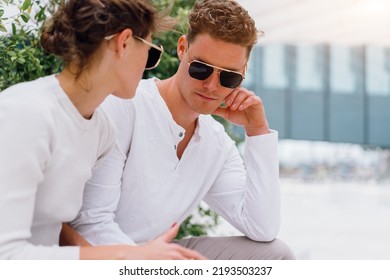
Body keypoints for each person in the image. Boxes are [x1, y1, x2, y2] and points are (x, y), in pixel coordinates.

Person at [69, 0, 295, 259]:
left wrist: (258, 131)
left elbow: (262, 228)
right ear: (182, 48)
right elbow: (91, 224)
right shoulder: (125, 107)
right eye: (201, 68)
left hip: (159, 257)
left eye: (228, 77)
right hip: (105, 256)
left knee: (277, 255)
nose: (211, 86)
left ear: (243, 73)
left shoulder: (216, 144)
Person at [0, 0, 204, 260]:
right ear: (124, 43)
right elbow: (5, 258)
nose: (148, 66)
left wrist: (132, 261)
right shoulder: (26, 113)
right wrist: (122, 257)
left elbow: (56, 228)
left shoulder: (101, 128)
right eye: (152, 52)